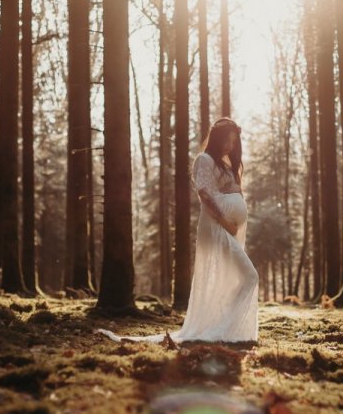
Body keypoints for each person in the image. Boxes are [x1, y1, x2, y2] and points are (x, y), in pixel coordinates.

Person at [96, 117, 259, 344]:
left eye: (233, 142)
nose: (229, 146)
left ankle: (224, 326)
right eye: (226, 141)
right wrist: (225, 221)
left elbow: (229, 193)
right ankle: (222, 329)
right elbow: (205, 194)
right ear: (216, 138)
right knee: (250, 276)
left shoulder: (226, 164)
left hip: (226, 229)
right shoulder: (204, 160)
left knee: (240, 278)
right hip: (216, 229)